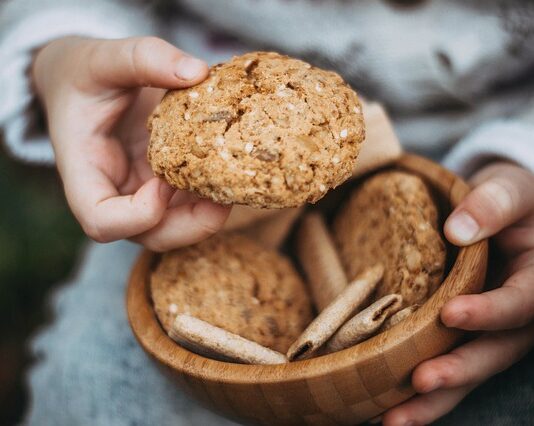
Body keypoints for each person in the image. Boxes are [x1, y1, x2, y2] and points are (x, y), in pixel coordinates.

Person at [1, 1, 533, 425]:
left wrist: (523, 155)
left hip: (504, 176)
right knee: (88, 390)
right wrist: (63, 54)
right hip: (168, 180)